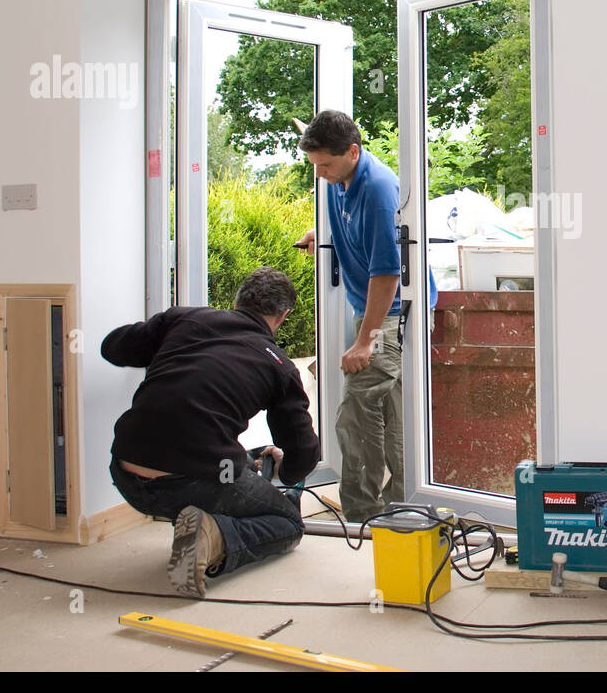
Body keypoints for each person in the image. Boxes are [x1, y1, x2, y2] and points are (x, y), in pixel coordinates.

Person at [102, 266, 319, 598]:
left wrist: (163, 334)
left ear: (238, 299)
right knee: (289, 522)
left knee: (234, 459)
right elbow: (304, 455)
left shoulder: (184, 319)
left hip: (126, 473)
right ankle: (214, 535)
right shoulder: (279, 366)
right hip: (191, 482)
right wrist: (286, 473)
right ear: (283, 315)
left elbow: (112, 347)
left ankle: (201, 518)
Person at [294, 110, 437, 523]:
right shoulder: (339, 180)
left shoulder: (377, 188)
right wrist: (322, 236)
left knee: (355, 416)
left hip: (390, 315)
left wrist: (366, 340)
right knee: (396, 419)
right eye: (314, 165)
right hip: (380, 313)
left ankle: (361, 514)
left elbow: (389, 272)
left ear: (353, 152)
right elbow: (353, 229)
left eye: (325, 165)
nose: (319, 174)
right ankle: (404, 508)